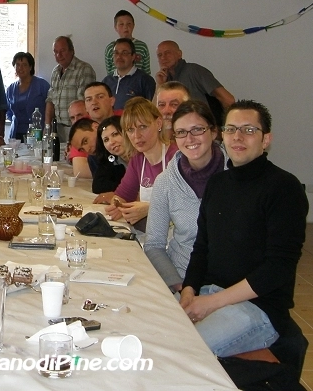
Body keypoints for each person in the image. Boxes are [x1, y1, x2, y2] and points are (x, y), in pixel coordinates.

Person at [180, 100, 308, 368]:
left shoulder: (285, 188)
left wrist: (211, 303)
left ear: (266, 139)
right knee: (153, 336)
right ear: (222, 135)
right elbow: (202, 247)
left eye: (249, 130)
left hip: (257, 307)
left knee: (183, 354)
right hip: (208, 293)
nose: (237, 137)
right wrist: (189, 290)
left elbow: (278, 268)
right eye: (231, 129)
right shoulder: (218, 184)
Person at [143, 101, 226, 292]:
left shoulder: (236, 174)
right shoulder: (165, 182)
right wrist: (181, 286)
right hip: (182, 278)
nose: (189, 138)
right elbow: (154, 244)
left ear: (214, 132)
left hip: (228, 285)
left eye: (197, 129)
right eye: (181, 132)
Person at [104, 97, 178, 227]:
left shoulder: (177, 157)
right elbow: (123, 195)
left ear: (158, 123)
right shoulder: (137, 160)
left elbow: (188, 204)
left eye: (142, 127)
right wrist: (117, 205)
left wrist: (150, 209)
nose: (136, 136)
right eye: (130, 130)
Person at [155, 40, 235, 126]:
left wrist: (226, 128)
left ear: (179, 54)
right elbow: (153, 113)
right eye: (159, 55)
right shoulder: (165, 78)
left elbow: (228, 100)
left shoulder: (194, 71)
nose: (163, 58)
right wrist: (159, 85)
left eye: (167, 53)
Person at [45, 36, 96, 142]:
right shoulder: (55, 72)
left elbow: (84, 104)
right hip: (57, 128)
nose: (59, 55)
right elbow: (50, 100)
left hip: (75, 127)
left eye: (62, 51)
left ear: (72, 51)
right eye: (55, 52)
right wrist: (47, 127)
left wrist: (79, 130)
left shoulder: (84, 69)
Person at [6, 52, 50, 141]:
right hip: (16, 133)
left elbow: (50, 107)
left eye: (24, 65)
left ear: (30, 67)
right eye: (17, 65)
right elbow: (8, 112)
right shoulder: (10, 88)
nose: (20, 68)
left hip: (38, 132)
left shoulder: (42, 85)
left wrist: (47, 129)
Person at [102, 38, 156, 111]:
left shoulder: (145, 80)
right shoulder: (106, 81)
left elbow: (151, 110)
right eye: (116, 53)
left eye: (124, 53)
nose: (119, 56)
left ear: (133, 56)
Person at [91, 116, 128, 200]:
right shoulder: (112, 159)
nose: (111, 142)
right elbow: (97, 186)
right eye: (106, 140)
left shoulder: (143, 157)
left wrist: (119, 193)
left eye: (115, 134)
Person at [104, 10, 151, 76]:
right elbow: (109, 73)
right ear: (115, 27)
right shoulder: (110, 48)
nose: (125, 27)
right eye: (121, 24)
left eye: (129, 24)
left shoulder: (142, 46)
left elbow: (147, 72)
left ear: (133, 25)